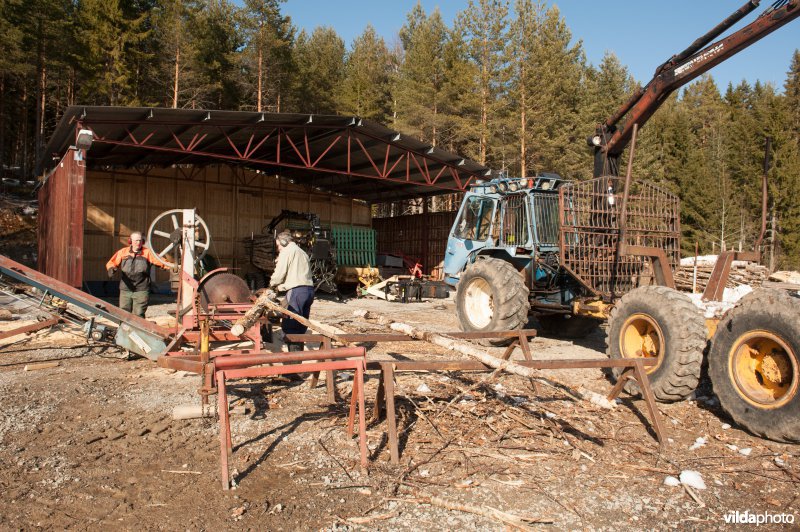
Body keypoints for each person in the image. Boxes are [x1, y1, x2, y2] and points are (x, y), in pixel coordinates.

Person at [106, 231, 170, 318]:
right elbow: (111, 263)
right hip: (126, 289)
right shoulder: (123, 252)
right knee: (123, 313)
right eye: (136, 240)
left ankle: (137, 331)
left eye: (140, 240)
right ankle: (124, 331)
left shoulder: (148, 253)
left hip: (142, 289)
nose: (138, 243)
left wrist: (173, 267)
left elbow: (162, 262)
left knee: (139, 314)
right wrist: (111, 269)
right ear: (130, 241)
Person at [270, 230, 314, 352]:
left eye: (278, 245)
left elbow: (278, 275)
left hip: (297, 292)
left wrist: (272, 285)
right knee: (301, 326)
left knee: (291, 327)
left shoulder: (287, 251)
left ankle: (293, 366)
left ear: (284, 242)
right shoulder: (302, 252)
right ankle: (298, 359)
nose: (278, 248)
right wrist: (282, 287)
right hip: (309, 291)